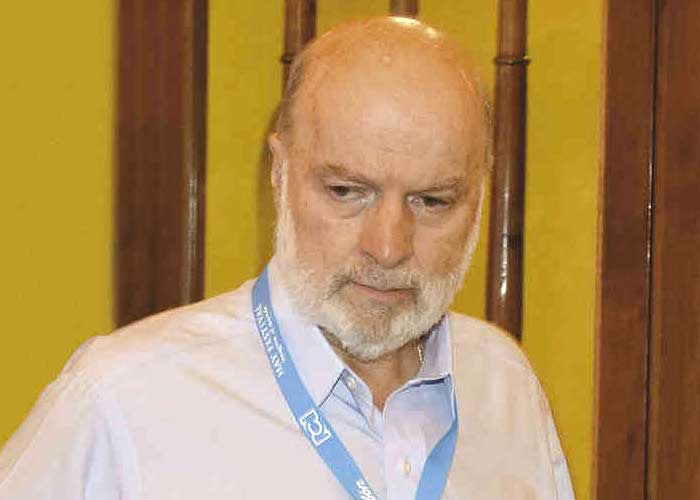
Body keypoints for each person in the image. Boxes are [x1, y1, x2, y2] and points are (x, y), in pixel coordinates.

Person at [0, 17, 574, 500]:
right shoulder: (121, 402)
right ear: (279, 174)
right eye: (346, 191)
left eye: (432, 201)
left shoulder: (507, 389)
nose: (388, 247)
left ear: (480, 199)